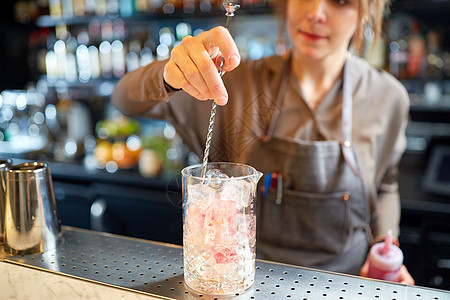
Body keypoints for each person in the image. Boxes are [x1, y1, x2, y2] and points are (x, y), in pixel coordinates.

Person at [112, 0, 415, 284]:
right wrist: (168, 74)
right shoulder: (236, 83)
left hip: (343, 284)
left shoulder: (387, 97)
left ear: (366, 10)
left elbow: (385, 185)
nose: (316, 12)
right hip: (248, 282)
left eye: (340, 0)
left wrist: (386, 246)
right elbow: (125, 99)